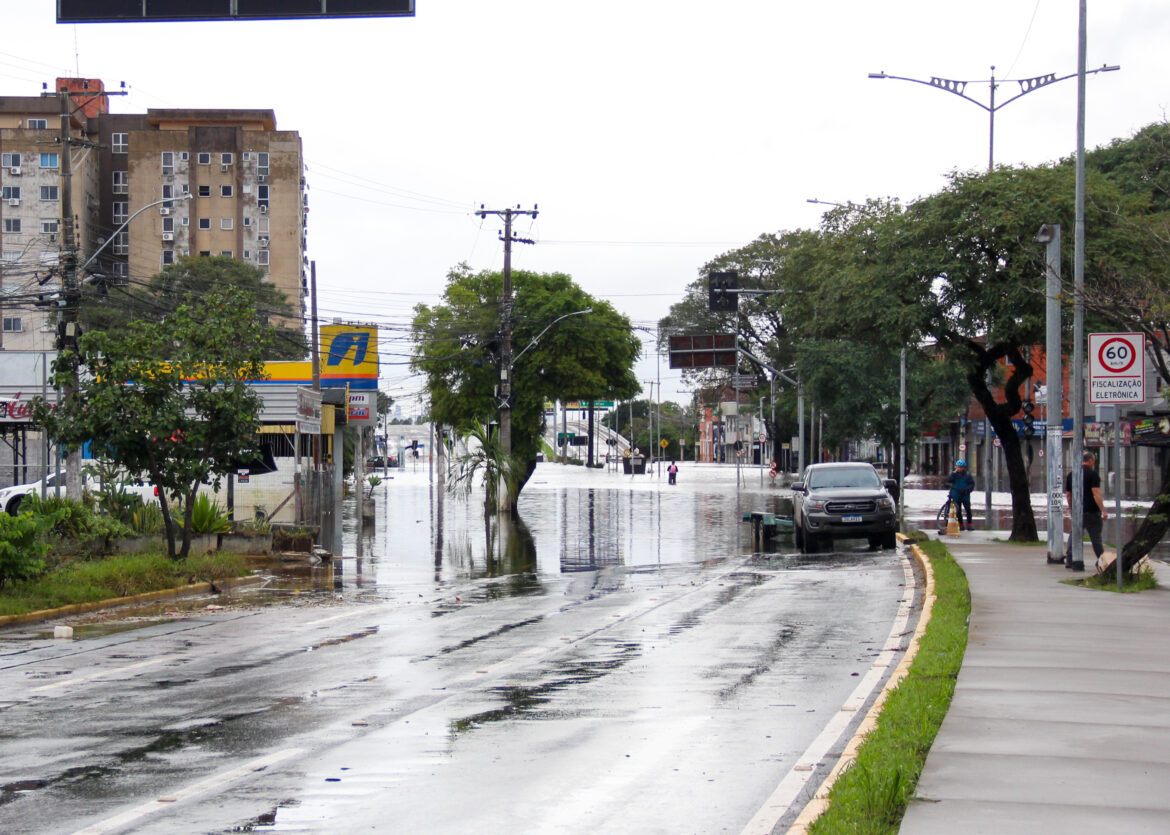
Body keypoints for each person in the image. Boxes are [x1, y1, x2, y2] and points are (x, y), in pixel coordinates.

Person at [1063, 451, 1107, 571]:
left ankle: (1070, 559)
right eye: (1094, 461)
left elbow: (1068, 495)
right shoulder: (1093, 474)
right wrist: (1103, 510)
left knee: (1074, 535)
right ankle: (1102, 561)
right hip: (1092, 512)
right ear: (1091, 461)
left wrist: (1072, 508)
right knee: (1096, 538)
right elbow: (1096, 493)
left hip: (1078, 513)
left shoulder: (1072, 475)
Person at [946, 459, 975, 531]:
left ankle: (969, 525)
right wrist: (953, 475)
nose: (959, 468)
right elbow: (948, 481)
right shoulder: (953, 474)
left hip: (965, 495)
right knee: (958, 511)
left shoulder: (968, 475)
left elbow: (972, 484)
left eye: (961, 467)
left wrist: (967, 490)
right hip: (956, 495)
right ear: (955, 467)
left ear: (964, 468)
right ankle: (961, 525)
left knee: (968, 510)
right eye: (958, 467)